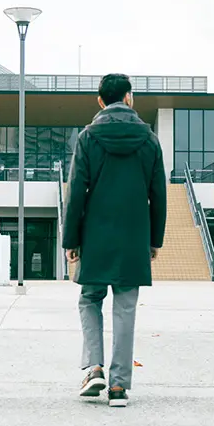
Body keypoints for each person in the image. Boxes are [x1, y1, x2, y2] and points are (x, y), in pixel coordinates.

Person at [62, 73, 167, 407]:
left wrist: (71, 239)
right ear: (129, 97)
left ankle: (94, 368)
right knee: (126, 307)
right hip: (134, 235)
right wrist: (155, 239)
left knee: (89, 298)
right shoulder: (149, 139)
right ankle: (119, 387)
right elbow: (159, 193)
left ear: (100, 100)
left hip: (95, 235)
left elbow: (76, 191)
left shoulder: (88, 137)